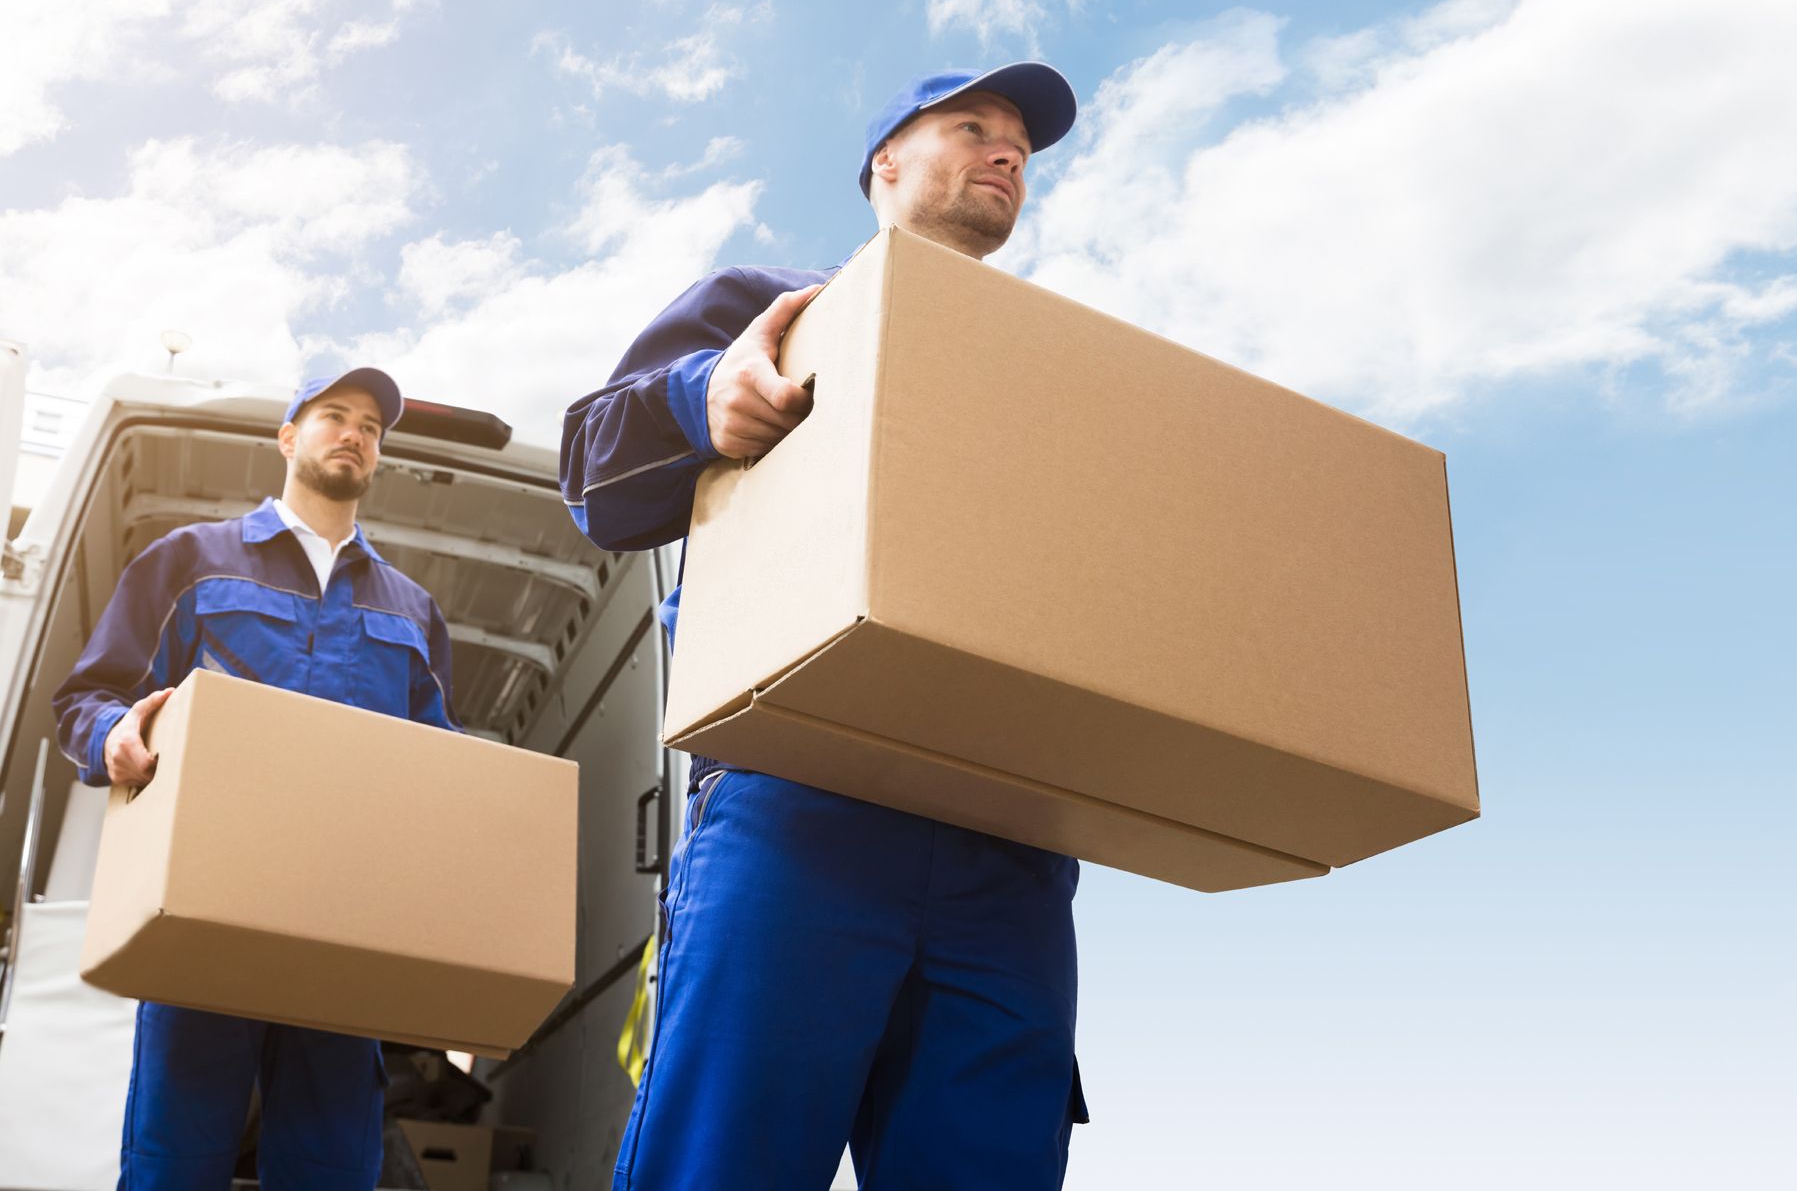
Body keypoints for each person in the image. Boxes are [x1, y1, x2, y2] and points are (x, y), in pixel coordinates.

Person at [560, 63, 1087, 1190]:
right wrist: (702, 397)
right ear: (884, 162)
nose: (1007, 154)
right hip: (798, 801)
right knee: (724, 1160)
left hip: (1013, 838)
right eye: (974, 127)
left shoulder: (1058, 372)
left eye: (1023, 150)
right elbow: (594, 482)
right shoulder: (772, 308)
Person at [52, 368, 459, 1190]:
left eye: (372, 427)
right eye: (333, 416)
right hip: (202, 911)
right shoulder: (190, 563)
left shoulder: (412, 610)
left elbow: (441, 771)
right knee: (176, 1161)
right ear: (287, 437)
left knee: (332, 1169)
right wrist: (114, 737)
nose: (354, 434)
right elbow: (84, 699)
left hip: (346, 931)